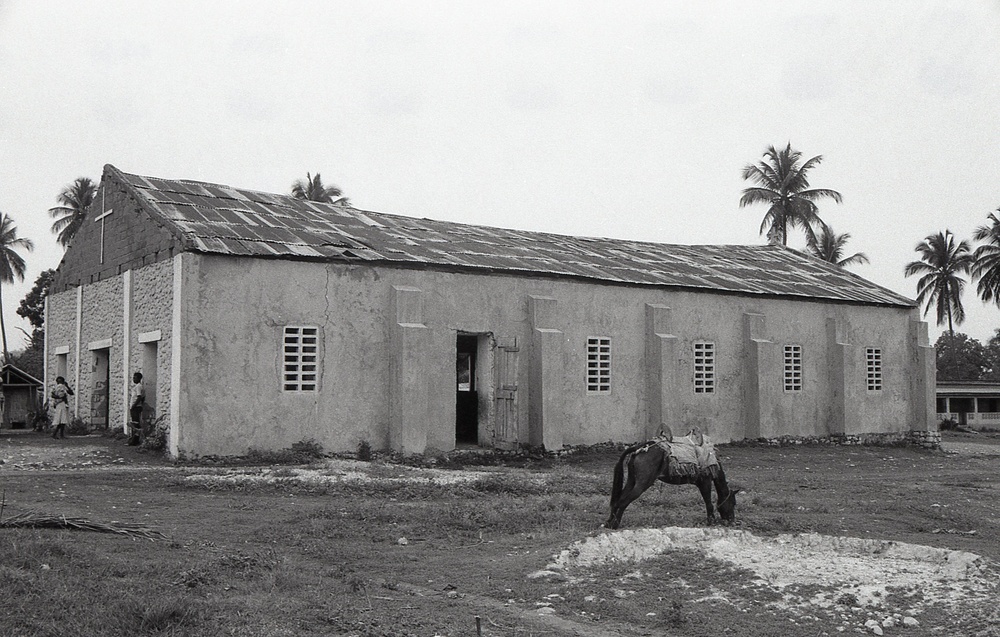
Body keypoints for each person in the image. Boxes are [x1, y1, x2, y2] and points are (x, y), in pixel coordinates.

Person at [128, 372, 145, 446]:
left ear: (139, 378)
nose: (133, 379)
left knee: (135, 424)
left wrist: (134, 405)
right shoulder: (138, 386)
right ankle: (134, 439)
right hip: (136, 406)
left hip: (136, 407)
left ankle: (135, 440)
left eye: (135, 378)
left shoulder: (138, 386)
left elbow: (139, 397)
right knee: (135, 423)